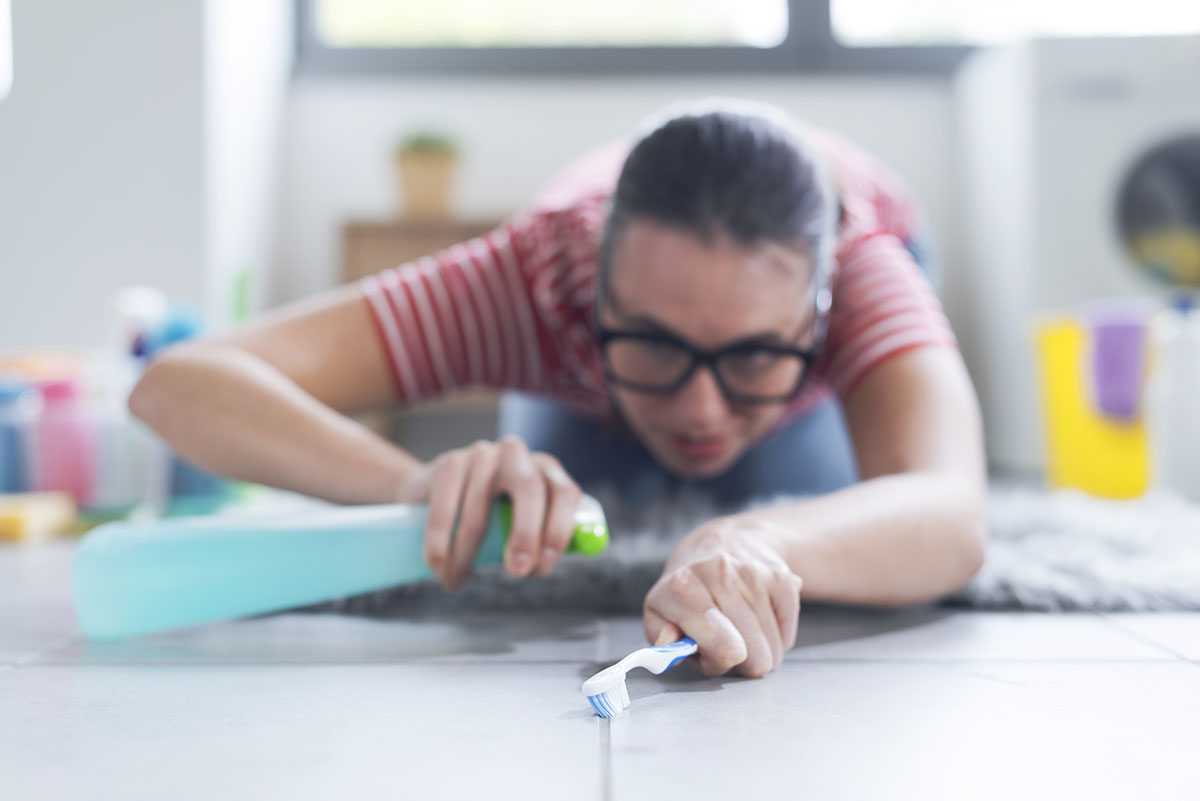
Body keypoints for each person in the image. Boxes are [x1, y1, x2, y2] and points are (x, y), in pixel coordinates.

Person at [130, 99, 987, 680]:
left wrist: (763, 537)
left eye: (755, 357)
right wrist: (411, 483)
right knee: (565, 502)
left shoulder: (866, 263)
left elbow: (950, 511)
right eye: (651, 343)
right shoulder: (535, 276)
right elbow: (176, 384)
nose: (701, 410)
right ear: (593, 296)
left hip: (855, 249)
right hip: (579, 364)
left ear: (817, 313)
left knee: (810, 499)